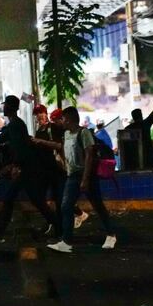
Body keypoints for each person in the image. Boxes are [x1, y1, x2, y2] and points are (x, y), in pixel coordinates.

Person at [0, 95, 60, 241]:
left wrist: (16, 166)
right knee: (34, 200)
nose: (3, 108)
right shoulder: (15, 124)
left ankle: (0, 234)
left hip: (26, 168)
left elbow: (20, 148)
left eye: (5, 105)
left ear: (10, 107)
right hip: (27, 168)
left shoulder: (15, 125)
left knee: (15, 199)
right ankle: (59, 228)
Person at [44, 107, 117, 253]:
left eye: (63, 119)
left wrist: (85, 179)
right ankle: (66, 241)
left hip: (86, 175)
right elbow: (66, 151)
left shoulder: (84, 133)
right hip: (72, 176)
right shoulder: (66, 134)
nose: (61, 122)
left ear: (70, 119)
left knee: (97, 205)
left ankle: (111, 235)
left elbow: (89, 155)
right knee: (66, 206)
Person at [124, 79, 153, 169]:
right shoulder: (146, 123)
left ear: (133, 117)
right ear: (141, 116)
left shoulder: (128, 128)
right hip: (147, 154)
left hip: (134, 158)